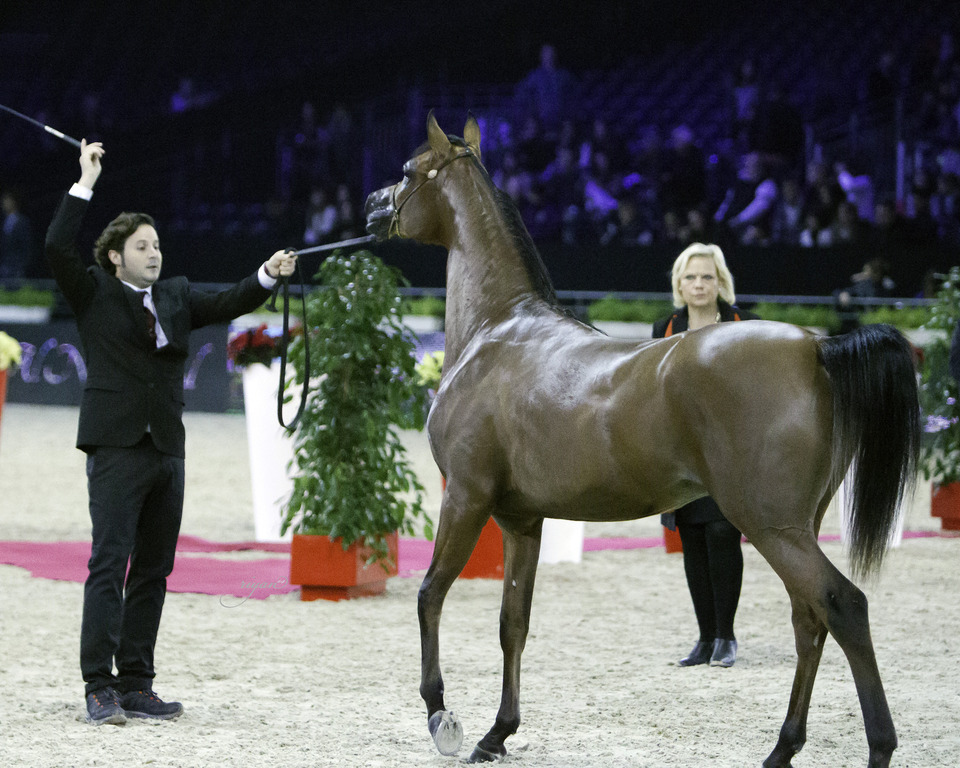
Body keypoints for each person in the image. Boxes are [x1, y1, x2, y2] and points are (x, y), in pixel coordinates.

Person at [45, 140, 297, 726]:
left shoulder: (177, 296)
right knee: (110, 563)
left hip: (167, 448)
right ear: (115, 257)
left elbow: (233, 299)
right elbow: (57, 244)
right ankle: (97, 686)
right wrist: (85, 181)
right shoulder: (92, 293)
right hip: (115, 447)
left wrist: (267, 273)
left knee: (155, 570)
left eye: (156, 245)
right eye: (141, 246)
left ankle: (136, 682)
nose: (154, 253)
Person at [652, 242, 758, 668]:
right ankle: (703, 638)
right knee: (692, 539)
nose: (698, 284)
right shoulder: (664, 327)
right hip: (678, 454)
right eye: (691, 277)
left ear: (720, 283)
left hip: (728, 452)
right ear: (679, 283)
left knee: (721, 533)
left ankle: (726, 637)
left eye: (707, 277)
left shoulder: (742, 324)